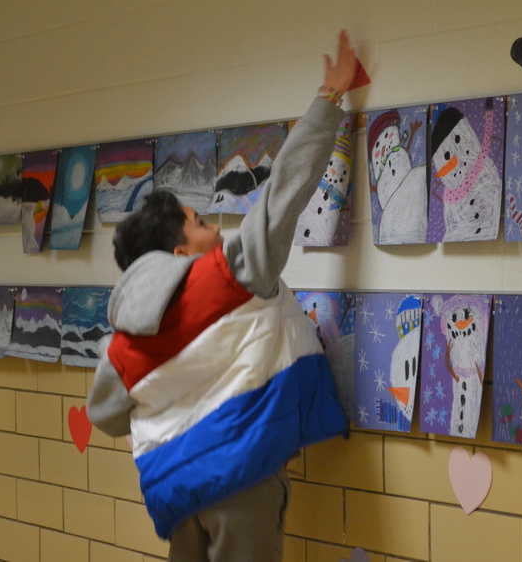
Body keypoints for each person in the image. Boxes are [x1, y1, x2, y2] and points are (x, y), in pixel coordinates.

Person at [87, 30, 358, 561]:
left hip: (176, 494)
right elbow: (283, 193)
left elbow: (108, 415)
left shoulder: (121, 342)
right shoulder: (230, 276)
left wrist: (183, 401)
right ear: (180, 253)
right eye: (200, 223)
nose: (215, 228)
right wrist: (329, 99)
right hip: (243, 480)